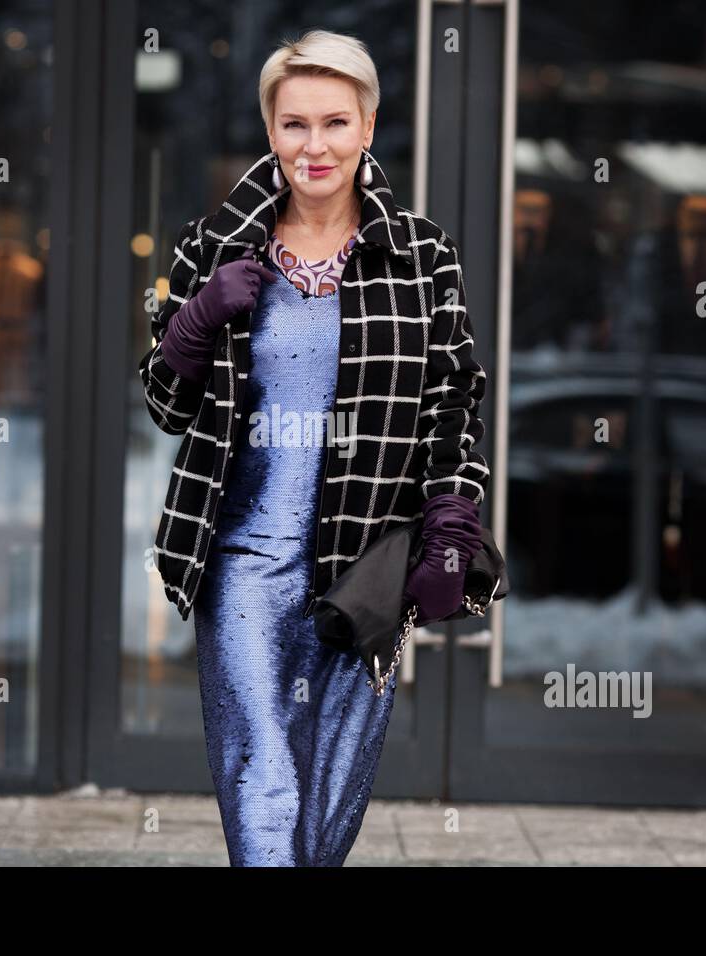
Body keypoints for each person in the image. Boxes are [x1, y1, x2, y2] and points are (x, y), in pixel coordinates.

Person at [138, 30, 490, 866]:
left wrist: (450, 528)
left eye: (335, 122)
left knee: (326, 815)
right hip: (243, 569)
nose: (315, 146)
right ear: (271, 131)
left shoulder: (422, 256)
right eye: (294, 125)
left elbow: (454, 404)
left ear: (369, 125)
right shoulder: (213, 247)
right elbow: (163, 403)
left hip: (363, 577)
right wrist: (194, 322)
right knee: (264, 782)